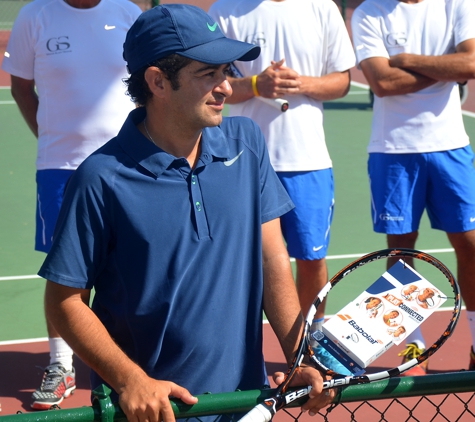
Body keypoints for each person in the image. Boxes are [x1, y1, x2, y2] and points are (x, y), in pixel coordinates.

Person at [37, 5, 335, 421]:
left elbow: (272, 259)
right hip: (152, 413)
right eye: (208, 74)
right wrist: (130, 380)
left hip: (243, 408)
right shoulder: (101, 178)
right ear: (157, 81)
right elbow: (64, 301)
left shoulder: (245, 144)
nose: (227, 88)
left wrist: (300, 354)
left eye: (226, 71)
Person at [1, 0, 142, 409]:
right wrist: (49, 138)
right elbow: (21, 87)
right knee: (65, 272)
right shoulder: (35, 15)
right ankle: (62, 364)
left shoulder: (128, 13)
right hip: (60, 168)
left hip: (127, 164)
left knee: (132, 263)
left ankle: (135, 357)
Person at [208, 0, 355, 374]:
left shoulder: (321, 7)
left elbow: (342, 81)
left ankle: (311, 349)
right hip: (240, 163)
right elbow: (211, 85)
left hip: (307, 163)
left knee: (311, 260)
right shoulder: (225, 10)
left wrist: (300, 83)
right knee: (240, 266)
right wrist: (258, 84)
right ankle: (235, 356)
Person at [351, 0, 475, 376]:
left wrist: (405, 59)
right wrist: (444, 68)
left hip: (451, 146)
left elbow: (470, 63)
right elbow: (383, 83)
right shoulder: (368, 12)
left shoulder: (457, 3)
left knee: (470, 243)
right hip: (393, 150)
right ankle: (413, 346)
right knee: (401, 249)